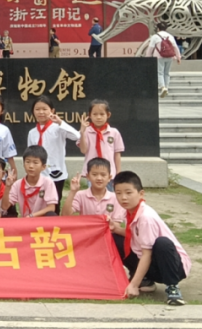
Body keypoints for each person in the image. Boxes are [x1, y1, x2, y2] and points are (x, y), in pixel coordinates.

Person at [114, 171, 191, 306]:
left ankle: (172, 287)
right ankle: (146, 280)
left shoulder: (145, 217)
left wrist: (133, 285)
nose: (123, 198)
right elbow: (135, 235)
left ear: (141, 194)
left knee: (162, 243)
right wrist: (115, 229)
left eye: (128, 192)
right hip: (153, 263)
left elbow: (147, 253)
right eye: (118, 193)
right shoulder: (129, 211)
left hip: (173, 266)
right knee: (115, 238)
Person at [28, 95, 78, 213]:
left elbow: (77, 136)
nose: (41, 112)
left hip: (56, 173)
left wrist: (60, 122)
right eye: (37, 109)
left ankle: (54, 222)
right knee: (38, 201)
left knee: (55, 202)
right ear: (33, 112)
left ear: (52, 111)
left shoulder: (59, 128)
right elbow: (30, 153)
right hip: (38, 173)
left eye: (44, 109)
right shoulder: (32, 132)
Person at [66, 158, 127, 247]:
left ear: (110, 177)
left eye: (103, 175)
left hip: (107, 237)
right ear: (88, 176)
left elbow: (116, 225)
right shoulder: (80, 195)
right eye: (94, 174)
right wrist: (72, 192)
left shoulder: (115, 198)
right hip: (85, 236)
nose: (99, 178)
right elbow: (66, 215)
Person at [77, 99, 125, 178]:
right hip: (92, 173)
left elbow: (117, 155)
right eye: (95, 114)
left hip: (109, 173)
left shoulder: (114, 132)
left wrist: (118, 174)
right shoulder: (86, 132)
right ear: (89, 115)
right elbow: (83, 150)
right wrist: (82, 132)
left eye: (102, 114)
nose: (98, 117)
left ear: (108, 115)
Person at [7, 146, 57, 218]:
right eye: (27, 162)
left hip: (42, 221)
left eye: (35, 163)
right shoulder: (17, 184)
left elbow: (51, 208)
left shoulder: (48, 182)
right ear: (23, 164)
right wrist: (8, 186)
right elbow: (5, 207)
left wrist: (32, 216)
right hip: (26, 222)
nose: (31, 166)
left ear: (43, 167)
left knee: (52, 215)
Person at [145, 21, 182, 99]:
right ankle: (166, 87)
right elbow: (175, 47)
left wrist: (148, 58)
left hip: (159, 57)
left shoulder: (155, 36)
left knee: (160, 72)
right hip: (170, 57)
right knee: (166, 73)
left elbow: (150, 48)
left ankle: (162, 87)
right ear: (166, 28)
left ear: (158, 28)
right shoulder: (170, 36)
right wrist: (178, 57)